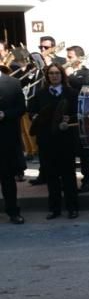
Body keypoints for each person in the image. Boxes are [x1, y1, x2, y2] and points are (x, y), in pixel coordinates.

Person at [28, 63, 80, 219]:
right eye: (51, 73)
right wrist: (35, 117)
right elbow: (31, 111)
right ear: (47, 76)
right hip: (47, 141)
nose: (54, 76)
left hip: (65, 140)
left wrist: (69, 119)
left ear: (62, 75)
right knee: (51, 176)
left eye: (57, 73)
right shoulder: (40, 94)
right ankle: (54, 208)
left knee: (68, 175)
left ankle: (72, 208)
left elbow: (78, 113)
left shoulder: (71, 93)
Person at [64, 45, 89, 193]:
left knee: (84, 151)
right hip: (67, 116)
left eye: (70, 57)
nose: (67, 60)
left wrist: (70, 76)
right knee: (68, 151)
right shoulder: (62, 73)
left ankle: (87, 180)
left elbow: (86, 88)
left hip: (82, 117)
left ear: (80, 58)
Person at [0, 67, 25, 223]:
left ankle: (13, 212)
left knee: (7, 178)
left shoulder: (13, 83)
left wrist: (5, 114)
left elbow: (21, 108)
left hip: (5, 140)